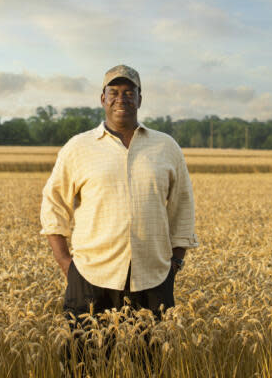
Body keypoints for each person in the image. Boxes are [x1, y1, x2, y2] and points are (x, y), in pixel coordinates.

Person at [40, 64, 198, 323]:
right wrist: (66, 263)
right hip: (91, 277)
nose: (121, 99)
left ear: (140, 99)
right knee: (84, 362)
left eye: (129, 92)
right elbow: (53, 204)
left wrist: (175, 265)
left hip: (153, 278)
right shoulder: (78, 147)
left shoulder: (166, 147)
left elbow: (183, 206)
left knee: (149, 363)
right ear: (103, 99)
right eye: (113, 92)